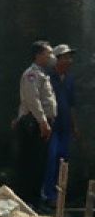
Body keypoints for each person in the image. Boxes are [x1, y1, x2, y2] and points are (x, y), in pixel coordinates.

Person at [14, 40, 58, 209]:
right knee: (31, 163)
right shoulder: (31, 74)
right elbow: (33, 100)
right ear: (39, 55)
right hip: (34, 124)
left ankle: (35, 199)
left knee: (40, 163)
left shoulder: (42, 74)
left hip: (40, 123)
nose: (51, 57)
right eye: (48, 53)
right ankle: (27, 201)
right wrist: (43, 121)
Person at [41, 43, 77, 208]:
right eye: (66, 57)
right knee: (51, 158)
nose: (69, 60)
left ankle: (60, 194)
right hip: (52, 125)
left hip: (65, 126)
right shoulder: (47, 78)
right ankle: (48, 194)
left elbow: (71, 104)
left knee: (64, 159)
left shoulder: (69, 79)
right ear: (57, 60)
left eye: (70, 57)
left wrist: (74, 125)